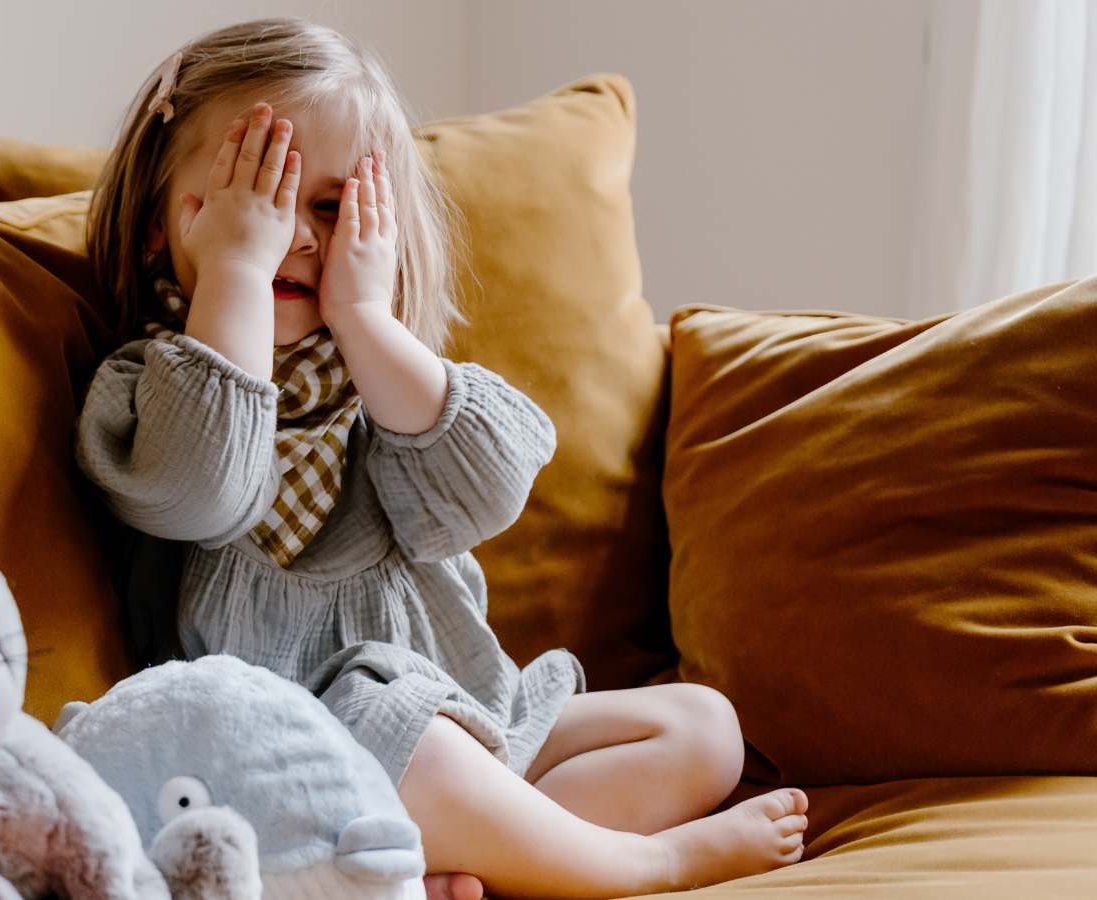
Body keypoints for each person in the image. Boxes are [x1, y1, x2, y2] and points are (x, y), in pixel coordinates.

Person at [74, 18, 808, 900]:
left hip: (466, 710)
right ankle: (638, 864)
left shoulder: (386, 387)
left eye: (330, 207)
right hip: (298, 752)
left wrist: (369, 323)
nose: (294, 236)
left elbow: (483, 495)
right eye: (255, 197)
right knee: (413, 745)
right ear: (160, 226)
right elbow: (205, 493)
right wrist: (235, 271)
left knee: (704, 726)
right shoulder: (149, 390)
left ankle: (480, 865)